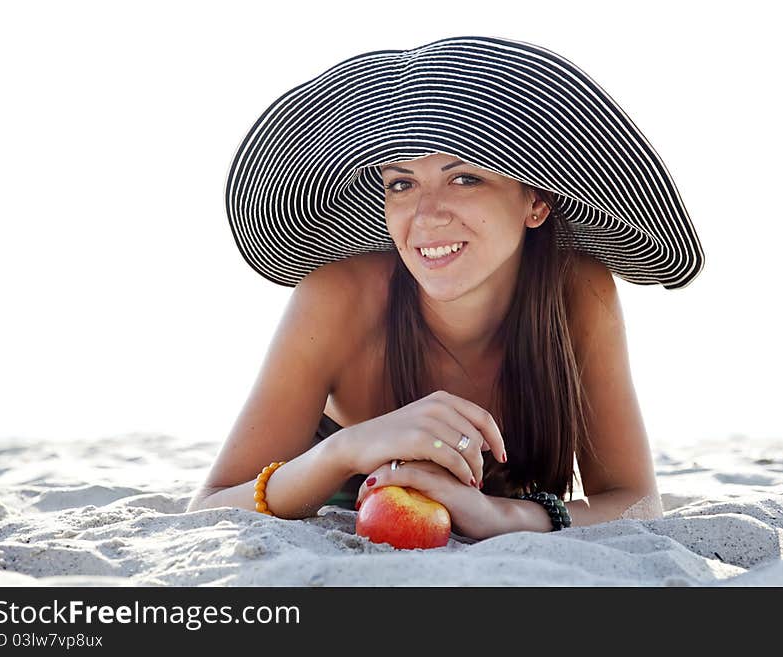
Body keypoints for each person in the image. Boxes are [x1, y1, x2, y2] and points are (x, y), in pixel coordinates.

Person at [186, 36, 705, 540]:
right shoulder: (340, 294)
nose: (426, 215)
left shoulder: (576, 293)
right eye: (402, 183)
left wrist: (501, 517)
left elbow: (636, 501)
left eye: (465, 178)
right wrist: (345, 450)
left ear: (536, 204)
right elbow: (209, 506)